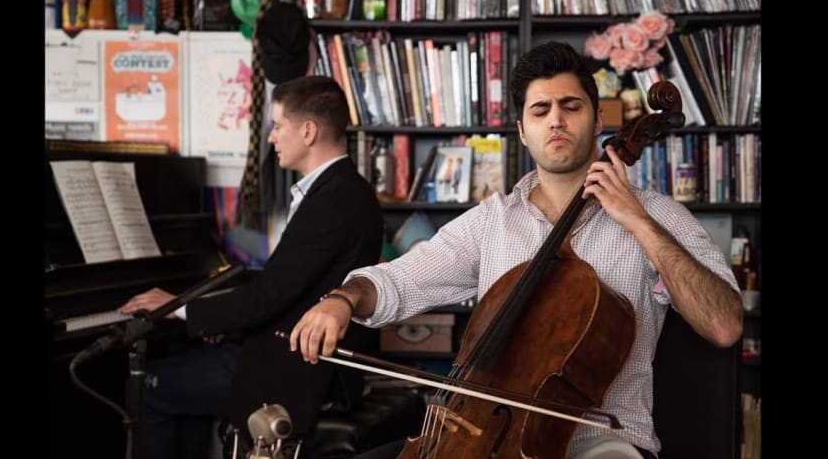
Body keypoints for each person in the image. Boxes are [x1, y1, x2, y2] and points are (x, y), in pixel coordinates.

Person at [289, 41, 743, 459]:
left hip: (603, 445)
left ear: (597, 121)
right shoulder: (494, 221)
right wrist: (343, 299)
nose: (556, 120)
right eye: (540, 110)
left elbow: (724, 324)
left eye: (571, 106)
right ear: (523, 132)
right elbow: (400, 280)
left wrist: (639, 223)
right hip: (486, 437)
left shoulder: (656, 215)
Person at [119, 75, 384, 459]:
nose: (271, 138)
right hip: (295, 351)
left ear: (308, 131)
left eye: (277, 126)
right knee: (179, 378)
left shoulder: (332, 201)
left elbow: (270, 295)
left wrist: (177, 308)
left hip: (298, 367)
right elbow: (289, 285)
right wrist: (222, 321)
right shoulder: (344, 189)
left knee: (150, 385)